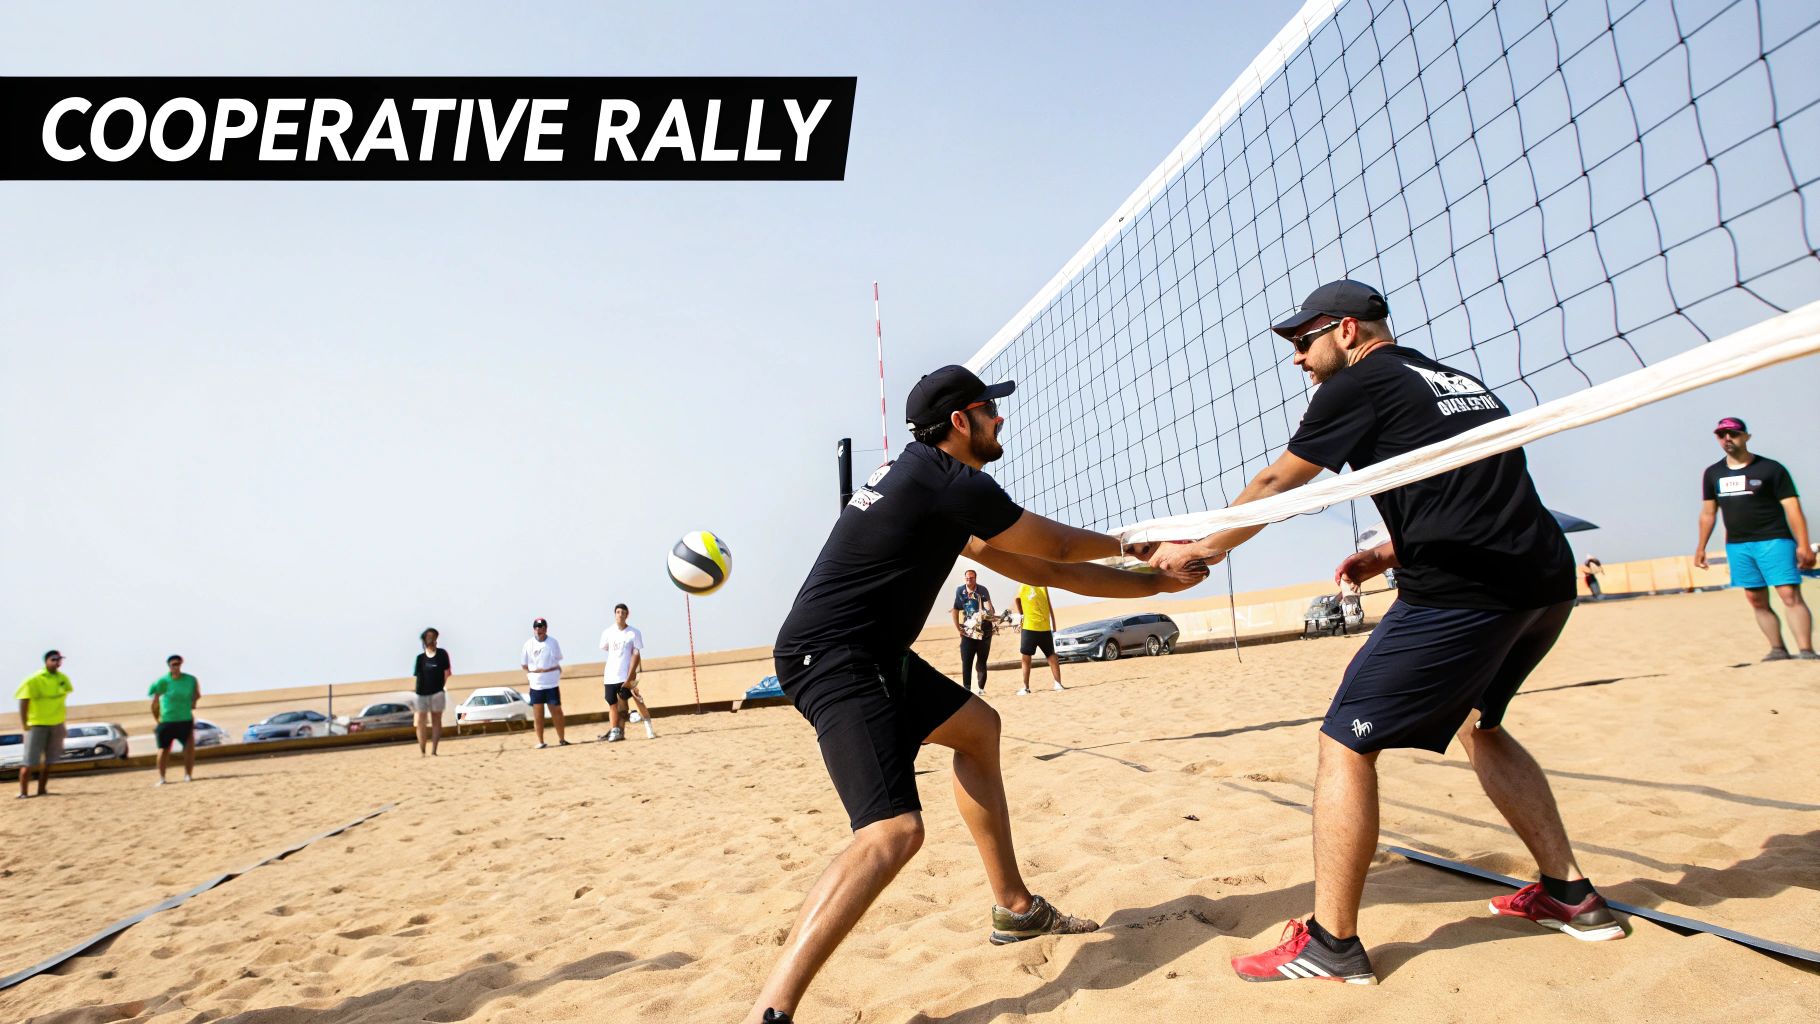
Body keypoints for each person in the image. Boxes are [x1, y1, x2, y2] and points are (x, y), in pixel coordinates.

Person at [1153, 280, 1623, 986]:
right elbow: (1475, 487)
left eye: (1302, 342)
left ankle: (1331, 944)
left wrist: (1198, 546)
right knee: (1479, 725)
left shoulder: (1358, 384)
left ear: (1346, 330)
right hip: (1542, 579)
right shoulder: (1452, 379)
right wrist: (1388, 552)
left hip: (1466, 591)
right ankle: (1570, 895)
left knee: (1344, 741)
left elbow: (1281, 484)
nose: (1296, 360)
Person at [745, 364, 1204, 1024]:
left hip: (865, 652)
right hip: (837, 658)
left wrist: (1154, 585)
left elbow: (1042, 568)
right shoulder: (942, 477)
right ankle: (769, 1010)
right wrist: (1146, 545)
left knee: (977, 727)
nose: (1001, 419)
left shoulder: (933, 486)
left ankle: (1013, 907)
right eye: (991, 410)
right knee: (892, 832)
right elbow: (1057, 542)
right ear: (960, 422)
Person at [1694, 418, 1815, 660]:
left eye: (1733, 433)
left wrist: (1803, 544)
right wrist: (1701, 547)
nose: (1727, 438)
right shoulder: (1713, 473)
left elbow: (1793, 508)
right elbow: (1708, 513)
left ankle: (1806, 650)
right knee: (1755, 598)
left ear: (1746, 437)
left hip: (1775, 539)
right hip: (1738, 545)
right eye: (1722, 434)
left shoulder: (1771, 469)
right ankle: (1777, 649)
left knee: (1788, 594)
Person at [15, 650, 73, 799]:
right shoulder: (34, 679)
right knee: (29, 761)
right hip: (37, 724)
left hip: (56, 724)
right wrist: (24, 723)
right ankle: (23, 792)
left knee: (50, 760)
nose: (57, 662)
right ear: (46, 661)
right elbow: (23, 701)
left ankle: (42, 789)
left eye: (59, 659)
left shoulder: (63, 679)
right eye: (53, 659)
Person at [598, 603, 655, 742]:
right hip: (611, 675)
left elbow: (636, 654)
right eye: (618, 612)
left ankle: (648, 727)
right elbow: (606, 648)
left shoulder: (634, 632)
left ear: (627, 615)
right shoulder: (607, 632)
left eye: (623, 612)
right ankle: (616, 731)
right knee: (613, 705)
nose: (620, 615)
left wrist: (630, 676)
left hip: (627, 674)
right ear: (615, 614)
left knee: (637, 700)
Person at [149, 654, 202, 785]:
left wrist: (193, 703)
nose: (176, 667)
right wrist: (157, 719)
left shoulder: (190, 680)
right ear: (169, 666)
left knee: (189, 748)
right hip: (167, 720)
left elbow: (197, 694)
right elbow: (155, 702)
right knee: (163, 749)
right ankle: (162, 778)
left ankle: (188, 775)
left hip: (185, 719)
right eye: (173, 664)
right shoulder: (162, 681)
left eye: (178, 664)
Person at [521, 618, 568, 747]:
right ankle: (540, 741)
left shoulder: (553, 642)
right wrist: (535, 672)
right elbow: (524, 664)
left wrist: (548, 669)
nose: (539, 629)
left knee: (556, 711)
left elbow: (558, 659)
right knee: (538, 714)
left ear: (546, 628)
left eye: (541, 627)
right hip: (536, 685)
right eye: (536, 627)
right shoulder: (528, 644)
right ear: (533, 629)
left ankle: (562, 739)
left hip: (551, 683)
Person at [951, 570, 996, 693]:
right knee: (966, 661)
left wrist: (988, 612)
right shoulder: (960, 591)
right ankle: (967, 689)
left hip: (984, 631)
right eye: (967, 578)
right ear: (964, 579)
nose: (969, 580)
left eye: (971, 578)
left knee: (981, 662)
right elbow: (955, 609)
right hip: (968, 632)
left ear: (976, 578)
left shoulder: (983, 590)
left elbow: (990, 610)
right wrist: (958, 628)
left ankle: (981, 689)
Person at [1014, 583, 1062, 694]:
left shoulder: (1042, 585)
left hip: (1042, 627)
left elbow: (1048, 603)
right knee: (1026, 656)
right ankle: (1026, 686)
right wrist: (1022, 615)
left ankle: (1058, 683)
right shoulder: (1023, 585)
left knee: (1051, 655)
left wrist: (1053, 622)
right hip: (1029, 626)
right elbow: (1017, 600)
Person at [412, 628, 452, 755]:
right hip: (421, 694)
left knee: (436, 720)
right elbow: (417, 676)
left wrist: (440, 687)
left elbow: (447, 673)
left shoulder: (442, 654)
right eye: (428, 637)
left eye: (433, 636)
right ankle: (422, 750)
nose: (431, 639)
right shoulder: (420, 658)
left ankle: (434, 750)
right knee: (420, 721)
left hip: (437, 693)